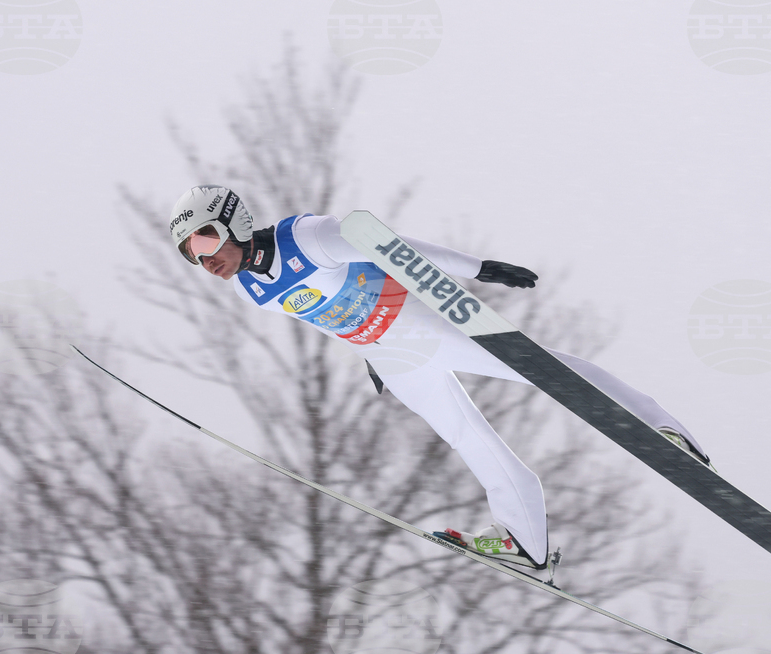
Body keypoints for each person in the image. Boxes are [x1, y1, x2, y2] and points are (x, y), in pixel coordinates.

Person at [168, 185, 713, 570]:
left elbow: (394, 249)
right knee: (468, 438)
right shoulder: (251, 289)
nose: (205, 258)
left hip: (424, 324)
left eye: (206, 239)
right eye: (191, 253)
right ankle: (526, 541)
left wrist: (478, 269)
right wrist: (367, 355)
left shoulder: (309, 237)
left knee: (545, 371)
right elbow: (326, 311)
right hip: (392, 356)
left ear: (235, 220)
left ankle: (658, 428)